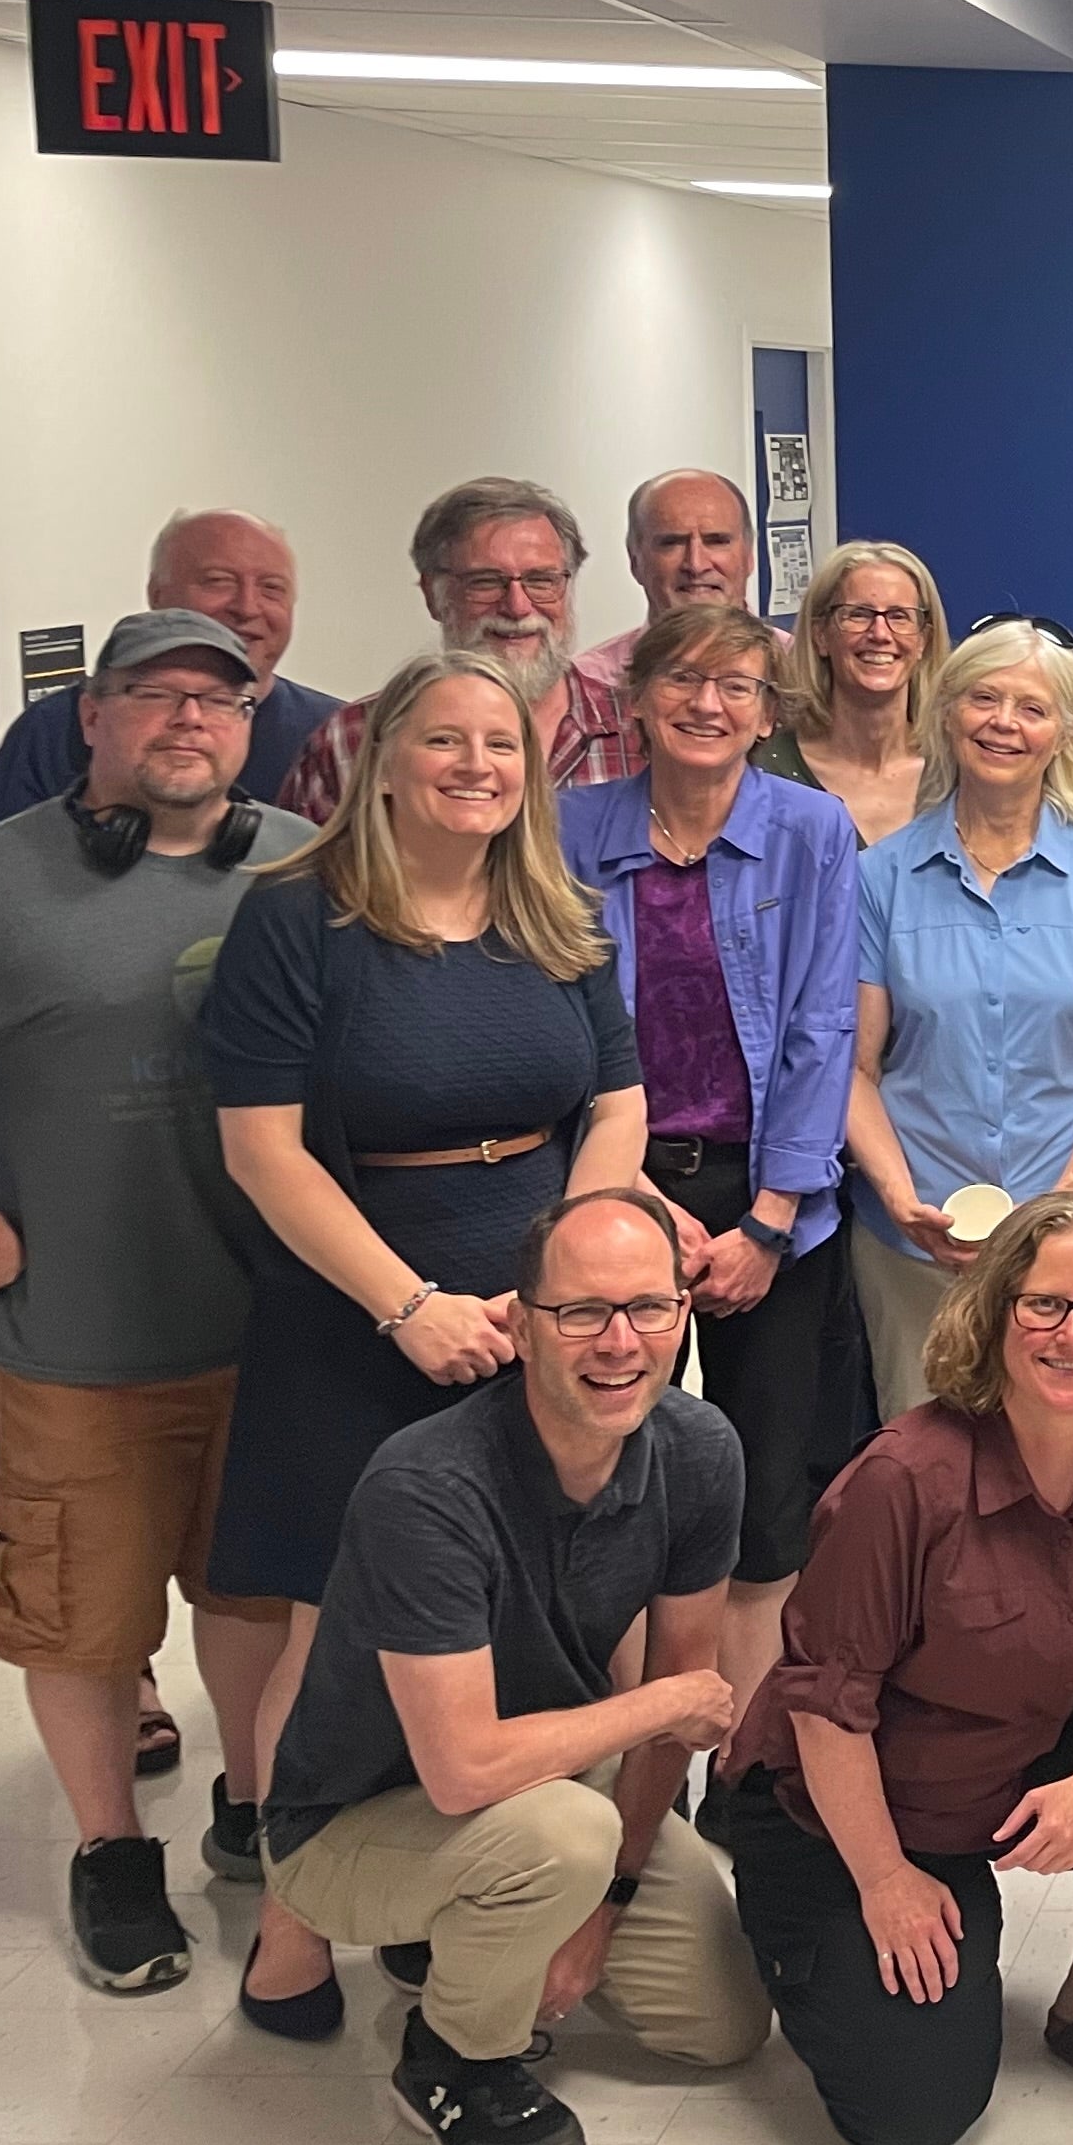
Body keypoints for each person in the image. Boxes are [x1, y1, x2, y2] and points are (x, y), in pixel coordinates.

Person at [0, 610, 312, 1990]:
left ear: (251, 726)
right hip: (84, 1341)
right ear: (92, 718)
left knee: (253, 1595)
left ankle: (252, 1806)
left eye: (219, 699)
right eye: (155, 696)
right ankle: (107, 1852)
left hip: (277, 1331)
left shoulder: (302, 872)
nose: (188, 721)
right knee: (82, 1615)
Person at [247, 1189, 770, 2145]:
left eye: (648, 1308)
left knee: (722, 2024)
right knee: (559, 1840)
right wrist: (663, 1708)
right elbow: (466, 1770)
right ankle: (452, 2057)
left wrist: (606, 1904)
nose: (619, 1342)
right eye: (581, 1312)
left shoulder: (699, 1451)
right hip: (355, 1822)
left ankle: (476, 1924)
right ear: (521, 1327)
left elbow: (675, 1689)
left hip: (552, 1784)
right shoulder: (428, 1489)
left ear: (683, 1317)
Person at [725, 1194, 1073, 2145]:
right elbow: (827, 1710)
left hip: (1025, 1760)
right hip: (852, 1809)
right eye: (1044, 1305)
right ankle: (790, 1933)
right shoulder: (904, 1479)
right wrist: (884, 1881)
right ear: (994, 1311)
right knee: (910, 2115)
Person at [205, 654, 648, 1628]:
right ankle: (293, 1791)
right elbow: (262, 1151)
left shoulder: (560, 916)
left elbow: (619, 1109)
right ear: (386, 764)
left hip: (538, 1324)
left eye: (500, 744)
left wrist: (558, 1289)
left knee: (544, 1600)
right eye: (443, 739)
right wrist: (408, 1309)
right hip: (352, 1319)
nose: (475, 763)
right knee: (347, 1628)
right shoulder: (295, 919)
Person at [558, 603, 863, 1720]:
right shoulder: (565, 830)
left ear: (768, 712)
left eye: (737, 686)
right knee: (602, 1468)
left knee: (766, 1487)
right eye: (682, 680)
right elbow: (554, 1021)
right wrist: (622, 1188)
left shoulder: (812, 830)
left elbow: (824, 1025)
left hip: (770, 1196)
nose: (707, 704)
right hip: (608, 1185)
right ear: (635, 699)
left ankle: (736, 1750)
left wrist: (773, 1219)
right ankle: (618, 1737)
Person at [846, 620, 1073, 1421]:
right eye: (983, 699)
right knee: (930, 1459)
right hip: (922, 1245)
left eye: (1031, 707)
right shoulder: (879, 875)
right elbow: (853, 1067)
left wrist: (1070, 1200)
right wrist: (897, 1196)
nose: (1004, 723)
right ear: (947, 714)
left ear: (1064, 732)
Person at [279, 479, 642, 822]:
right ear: (432, 595)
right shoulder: (352, 742)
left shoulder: (641, 730)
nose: (517, 606)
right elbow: (305, 886)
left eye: (541, 580)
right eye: (484, 582)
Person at [0, 510, 337, 827]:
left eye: (272, 589)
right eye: (219, 582)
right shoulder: (51, 729)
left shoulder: (336, 733)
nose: (247, 607)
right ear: (156, 595)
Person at [759, 539, 948, 852]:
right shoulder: (768, 773)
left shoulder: (958, 769)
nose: (880, 634)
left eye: (899, 616)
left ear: (923, 641)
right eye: (858, 614)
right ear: (820, 636)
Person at [574, 468, 766, 694]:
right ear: (635, 560)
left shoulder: (801, 672)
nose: (696, 564)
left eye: (716, 541)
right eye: (672, 543)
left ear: (749, 555)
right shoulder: (586, 686)